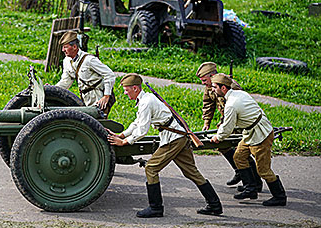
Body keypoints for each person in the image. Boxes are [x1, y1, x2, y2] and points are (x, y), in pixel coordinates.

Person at [107, 73, 223, 218]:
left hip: (173, 139)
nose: (125, 93)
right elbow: (137, 123)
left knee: (151, 168)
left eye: (126, 89)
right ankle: (215, 205)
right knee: (191, 171)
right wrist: (121, 135)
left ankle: (156, 208)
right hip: (178, 136)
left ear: (135, 88)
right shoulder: (145, 99)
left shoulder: (146, 102)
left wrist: (124, 142)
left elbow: (142, 130)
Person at [210, 73, 287, 206]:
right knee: (239, 156)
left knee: (263, 170)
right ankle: (251, 188)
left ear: (223, 88)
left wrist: (218, 137)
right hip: (250, 132)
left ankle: (280, 196)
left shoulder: (232, 104)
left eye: (214, 87)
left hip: (261, 135)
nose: (212, 89)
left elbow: (227, 128)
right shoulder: (239, 94)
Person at [196, 62, 263, 193]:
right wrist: (206, 123)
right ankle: (240, 172)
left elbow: (240, 106)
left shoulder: (230, 86)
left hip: (239, 122)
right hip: (227, 120)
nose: (203, 83)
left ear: (213, 75)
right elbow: (208, 104)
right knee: (224, 146)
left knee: (242, 152)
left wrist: (227, 125)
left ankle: (254, 182)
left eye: (204, 80)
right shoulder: (210, 87)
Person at [56, 30, 116, 116]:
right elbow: (66, 81)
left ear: (75, 47)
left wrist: (106, 96)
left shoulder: (89, 60)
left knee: (98, 122)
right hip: (84, 97)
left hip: (97, 95)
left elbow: (109, 74)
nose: (63, 50)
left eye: (65, 47)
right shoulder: (67, 61)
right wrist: (53, 89)